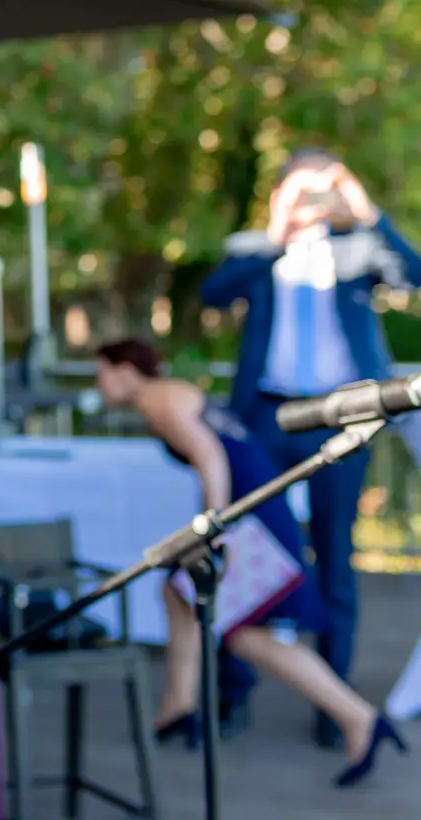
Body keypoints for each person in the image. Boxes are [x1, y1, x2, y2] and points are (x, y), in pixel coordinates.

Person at [94, 338, 406, 787]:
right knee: (181, 592)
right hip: (255, 505)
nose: (99, 383)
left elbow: (210, 457)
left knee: (245, 633)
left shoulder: (157, 399)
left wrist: (212, 529)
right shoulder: (170, 392)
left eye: (101, 371)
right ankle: (178, 707)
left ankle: (358, 717)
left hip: (251, 512)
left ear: (124, 369)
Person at [201, 149, 421, 746]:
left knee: (334, 553)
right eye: (303, 189)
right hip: (267, 414)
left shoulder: (359, 250)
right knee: (247, 547)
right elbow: (213, 295)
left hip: (343, 413)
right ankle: (233, 690)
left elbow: (415, 274)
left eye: (326, 189)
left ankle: (334, 703)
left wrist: (365, 210)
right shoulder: (256, 249)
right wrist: (279, 229)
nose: (314, 201)